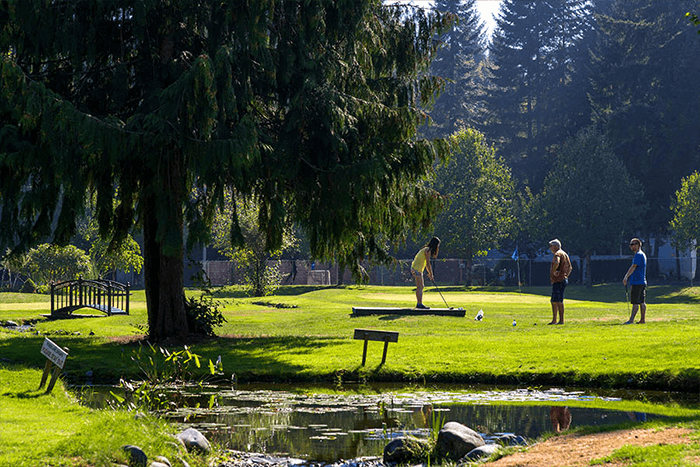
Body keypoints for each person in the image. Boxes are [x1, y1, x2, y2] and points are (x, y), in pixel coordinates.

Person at [411, 237, 440, 309]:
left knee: (421, 286)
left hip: (417, 269)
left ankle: (419, 303)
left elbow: (426, 264)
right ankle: (419, 304)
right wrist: (431, 274)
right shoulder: (427, 250)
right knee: (420, 287)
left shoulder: (426, 249)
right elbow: (427, 263)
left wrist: (429, 273)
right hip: (416, 269)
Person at [623, 238, 647, 324]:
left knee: (635, 302)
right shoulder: (642, 255)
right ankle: (642, 319)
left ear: (638, 245)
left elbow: (633, 267)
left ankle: (631, 320)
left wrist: (626, 276)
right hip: (642, 281)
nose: (631, 246)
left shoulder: (638, 255)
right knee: (641, 301)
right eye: (631, 244)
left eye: (633, 244)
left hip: (637, 281)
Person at [548, 239, 572, 325]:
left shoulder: (558, 253)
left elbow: (557, 262)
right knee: (558, 300)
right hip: (563, 280)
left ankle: (558, 320)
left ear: (556, 246)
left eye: (551, 246)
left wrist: (554, 271)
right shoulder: (565, 254)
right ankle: (558, 320)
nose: (550, 248)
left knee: (556, 301)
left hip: (558, 280)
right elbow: (570, 268)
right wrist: (565, 276)